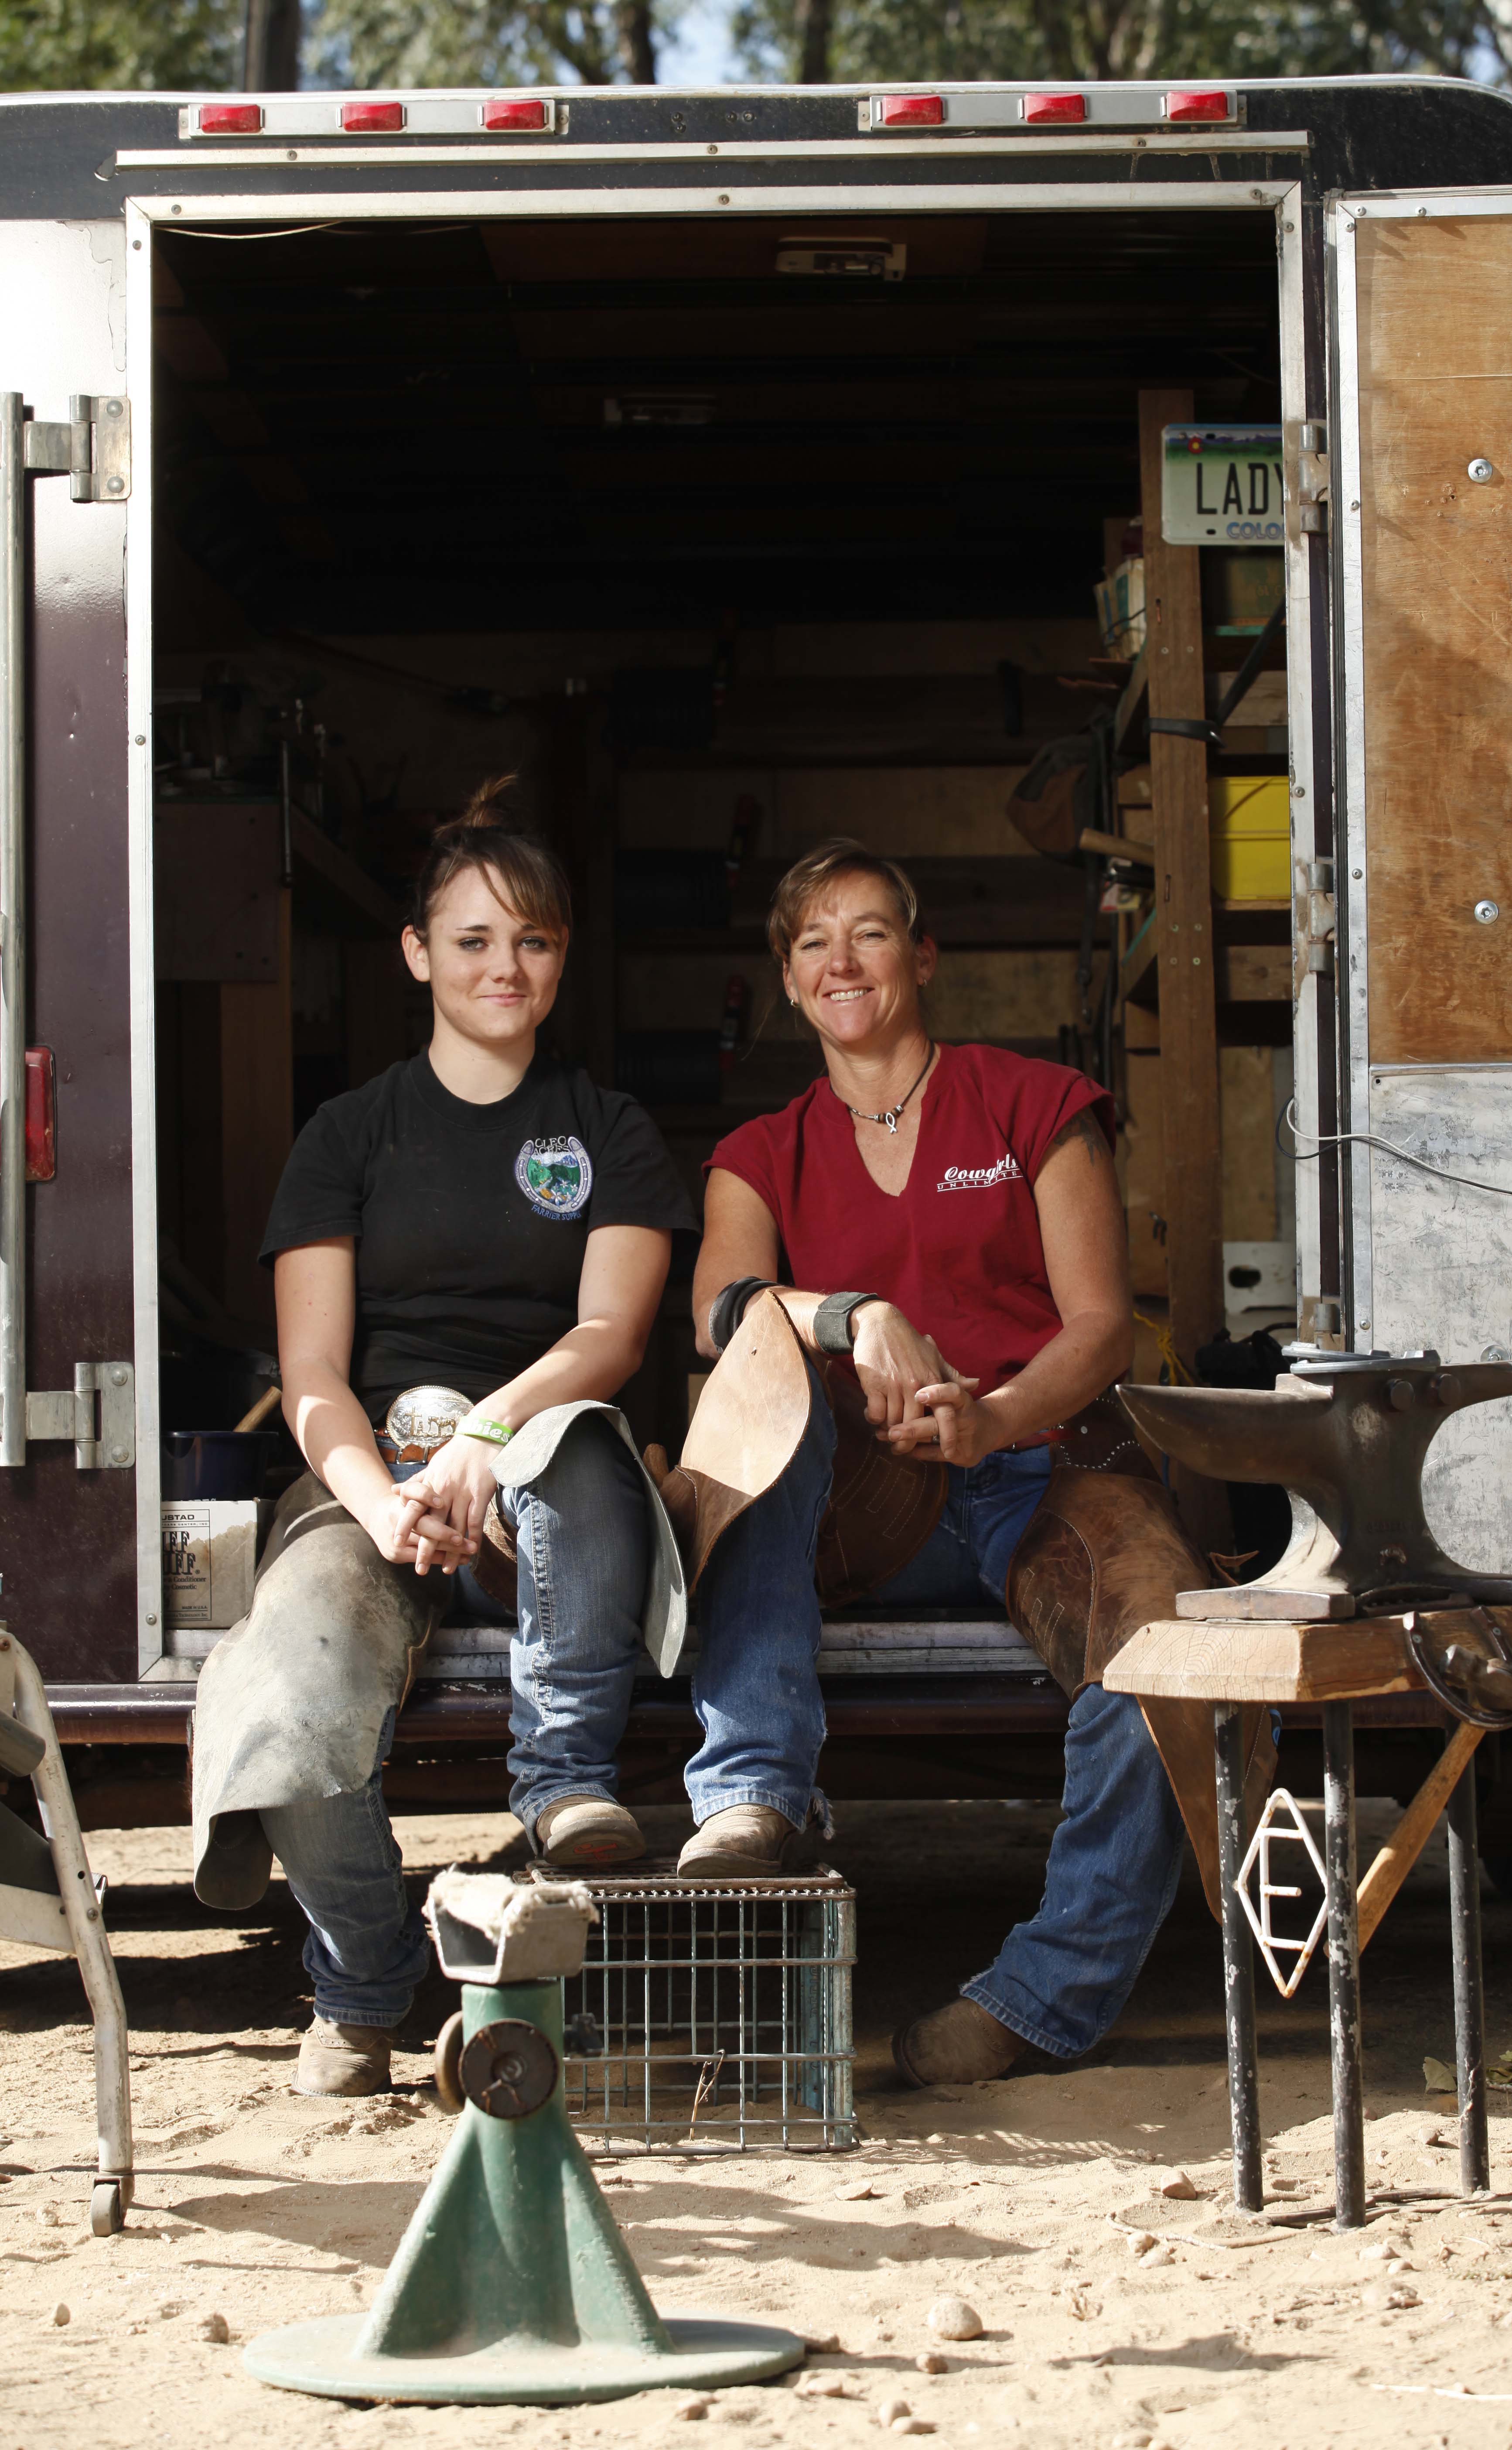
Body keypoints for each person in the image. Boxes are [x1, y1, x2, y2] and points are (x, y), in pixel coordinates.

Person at [192, 779, 694, 2099]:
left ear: (561, 956)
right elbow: (309, 1372)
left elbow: (611, 1338)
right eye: (471, 940)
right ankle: (364, 1977)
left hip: (541, 1448)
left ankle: (558, 1787)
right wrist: (373, 1501)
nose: (502, 967)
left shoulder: (608, 1130)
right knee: (288, 1697)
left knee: (587, 1446)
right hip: (371, 1475)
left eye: (530, 940)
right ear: (418, 954)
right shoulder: (349, 1134)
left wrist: (488, 1432)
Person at [684, 836, 1190, 2087]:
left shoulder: (1033, 1102)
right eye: (811, 941)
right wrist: (850, 1315)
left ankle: (1044, 1994)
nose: (840, 959)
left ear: (922, 954)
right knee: (770, 1358)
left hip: (1027, 1470)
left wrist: (996, 1416)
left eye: (867, 930)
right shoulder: (760, 1150)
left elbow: (1100, 1326)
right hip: (849, 1503)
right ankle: (749, 1791)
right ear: (790, 981)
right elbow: (720, 1307)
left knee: (1170, 1636)